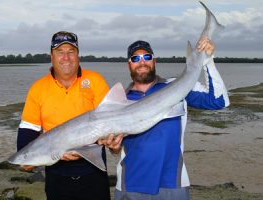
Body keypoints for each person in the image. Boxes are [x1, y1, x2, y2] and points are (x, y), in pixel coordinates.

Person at [98, 38, 230, 200]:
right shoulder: (119, 102)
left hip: (173, 184)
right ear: (129, 64)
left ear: (154, 61)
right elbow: (116, 148)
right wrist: (114, 148)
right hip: (130, 186)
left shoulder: (176, 86)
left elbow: (218, 101)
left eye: (147, 57)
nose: (142, 62)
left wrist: (207, 60)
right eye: (135, 58)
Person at [16, 31, 111, 200]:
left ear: (78, 55)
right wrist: (25, 158)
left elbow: (111, 120)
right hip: (56, 176)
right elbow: (28, 130)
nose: (66, 57)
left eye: (71, 52)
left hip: (94, 172)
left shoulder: (95, 80)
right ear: (51, 56)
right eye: (60, 52)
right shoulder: (38, 88)